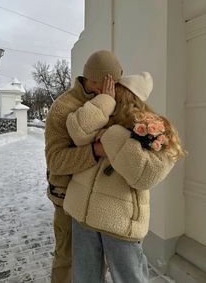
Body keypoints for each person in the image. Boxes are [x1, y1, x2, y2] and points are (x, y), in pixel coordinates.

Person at [63, 72, 185, 283]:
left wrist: (111, 135)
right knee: (83, 278)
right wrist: (104, 103)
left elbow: (146, 175)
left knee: (130, 278)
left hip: (119, 221)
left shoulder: (151, 126)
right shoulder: (102, 113)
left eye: (113, 90)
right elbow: (76, 131)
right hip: (81, 213)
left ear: (126, 95)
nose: (104, 91)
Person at [44, 50, 123, 283]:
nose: (115, 88)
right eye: (112, 82)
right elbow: (56, 161)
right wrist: (95, 151)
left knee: (98, 261)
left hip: (101, 199)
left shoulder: (112, 98)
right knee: (67, 260)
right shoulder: (63, 108)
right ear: (99, 80)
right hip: (67, 199)